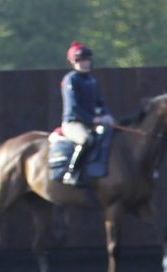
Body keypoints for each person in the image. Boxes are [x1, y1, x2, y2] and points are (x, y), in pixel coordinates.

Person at [58, 42, 111, 186]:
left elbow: (100, 102)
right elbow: (74, 107)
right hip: (73, 123)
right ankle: (71, 172)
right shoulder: (70, 80)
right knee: (86, 140)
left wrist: (107, 115)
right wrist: (93, 119)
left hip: (91, 122)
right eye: (80, 60)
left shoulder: (92, 80)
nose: (84, 63)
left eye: (86, 60)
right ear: (73, 62)